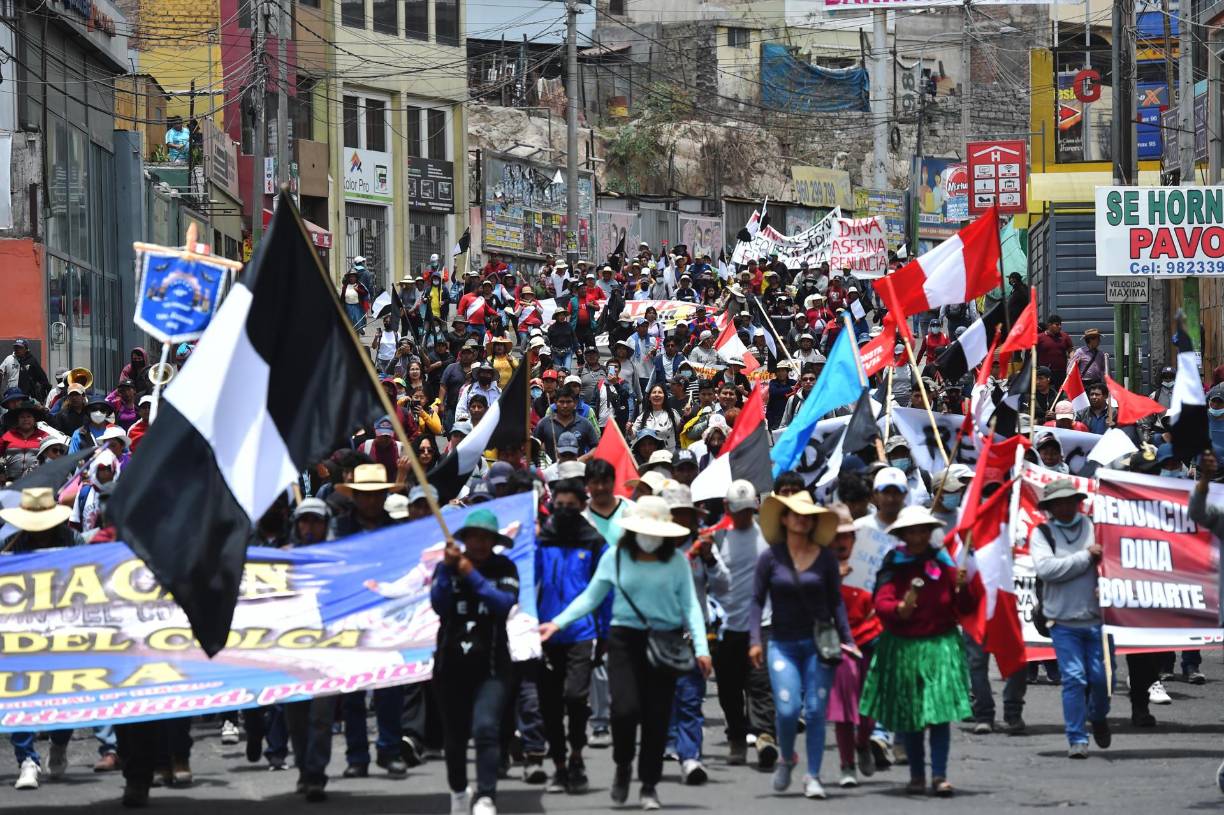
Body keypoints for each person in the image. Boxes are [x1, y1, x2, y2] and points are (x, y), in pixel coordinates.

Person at [539, 497, 711, 812]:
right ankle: (623, 765)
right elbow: (590, 597)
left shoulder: (676, 562)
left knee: (657, 717)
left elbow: (690, 607)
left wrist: (702, 648)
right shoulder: (615, 558)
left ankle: (648, 785)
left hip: (665, 642)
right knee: (624, 711)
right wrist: (556, 622)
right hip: (624, 641)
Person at [860, 505, 976, 797]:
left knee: (938, 715)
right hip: (904, 645)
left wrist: (963, 587)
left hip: (940, 645)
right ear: (903, 534)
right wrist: (898, 608)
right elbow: (881, 601)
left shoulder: (943, 560)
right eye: (912, 531)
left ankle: (939, 775)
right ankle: (916, 775)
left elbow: (965, 608)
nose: (919, 535)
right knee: (911, 716)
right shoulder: (893, 562)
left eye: (923, 530)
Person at [749, 490, 848, 800]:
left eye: (808, 515)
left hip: (818, 644)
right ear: (784, 519)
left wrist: (848, 640)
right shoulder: (770, 557)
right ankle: (787, 757)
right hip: (781, 644)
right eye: (796, 514)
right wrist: (754, 640)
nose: (802, 519)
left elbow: (836, 603)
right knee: (789, 708)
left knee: (816, 710)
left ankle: (813, 775)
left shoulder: (826, 558)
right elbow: (755, 600)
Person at [431, 508, 521, 815]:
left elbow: (503, 604)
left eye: (485, 538)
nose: (479, 544)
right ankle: (458, 790)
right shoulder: (447, 568)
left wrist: (473, 575)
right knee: (454, 738)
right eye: (474, 538)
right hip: (450, 668)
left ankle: (486, 796)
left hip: (492, 668)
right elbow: (439, 605)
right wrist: (447, 570)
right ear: (465, 539)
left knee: (485, 728)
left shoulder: (505, 567)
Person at [535, 479, 608, 795]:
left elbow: (603, 592)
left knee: (576, 698)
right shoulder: (542, 540)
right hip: (546, 634)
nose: (563, 511)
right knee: (549, 705)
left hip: (582, 632)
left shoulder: (594, 542)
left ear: (582, 505)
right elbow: (530, 580)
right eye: (558, 505)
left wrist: (604, 634)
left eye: (570, 505)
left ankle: (577, 754)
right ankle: (560, 767)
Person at [1029, 478, 1111, 759]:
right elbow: (1047, 569)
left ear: (1078, 502)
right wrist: (1085, 558)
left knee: (1100, 681)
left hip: (1096, 620)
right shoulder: (1043, 534)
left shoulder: (1095, 527)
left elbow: (1112, 561)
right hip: (1062, 622)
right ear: (1049, 507)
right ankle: (1077, 738)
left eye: (1070, 501)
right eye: (1058, 502)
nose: (1065, 507)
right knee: (1074, 679)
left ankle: (1098, 716)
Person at [710, 481, 778, 770]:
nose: (743, 516)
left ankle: (765, 736)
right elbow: (709, 583)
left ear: (756, 508)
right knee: (729, 688)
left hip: (762, 624)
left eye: (748, 510)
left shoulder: (769, 538)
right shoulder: (715, 539)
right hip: (727, 627)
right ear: (727, 509)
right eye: (738, 511)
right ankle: (737, 738)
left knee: (761, 684)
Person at [825, 504, 881, 787]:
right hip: (838, 643)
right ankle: (847, 763)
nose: (841, 541)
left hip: (870, 636)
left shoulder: (870, 560)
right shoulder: (819, 567)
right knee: (844, 709)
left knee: (868, 704)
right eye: (835, 536)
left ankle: (863, 742)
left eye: (846, 535)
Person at [1037, 315, 1073, 390]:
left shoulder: (1065, 337)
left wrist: (1073, 359)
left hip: (1061, 373)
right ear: (1049, 325)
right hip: (1045, 373)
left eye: (1060, 324)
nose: (1060, 326)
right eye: (1057, 324)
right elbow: (1032, 354)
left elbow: (1071, 350)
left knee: (1060, 394)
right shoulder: (1040, 337)